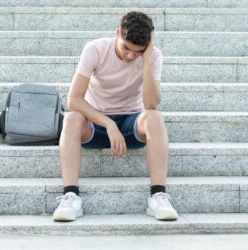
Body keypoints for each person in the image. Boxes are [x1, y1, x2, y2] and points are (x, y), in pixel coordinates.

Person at [52, 11, 179, 222]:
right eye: (126, 48)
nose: (130, 56)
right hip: (96, 123)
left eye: (137, 52)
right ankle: (70, 196)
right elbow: (74, 100)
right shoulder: (96, 49)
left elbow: (150, 104)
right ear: (117, 33)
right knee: (72, 118)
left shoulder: (153, 56)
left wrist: (146, 59)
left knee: (154, 117)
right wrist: (109, 124)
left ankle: (158, 196)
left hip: (132, 123)